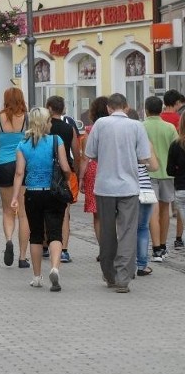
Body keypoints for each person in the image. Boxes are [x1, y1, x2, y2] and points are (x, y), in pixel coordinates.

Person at [85, 93, 152, 293]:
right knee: (128, 231)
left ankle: (109, 274)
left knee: (107, 231)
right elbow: (143, 158)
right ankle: (123, 276)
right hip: (129, 186)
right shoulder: (136, 126)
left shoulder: (100, 125)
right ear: (127, 106)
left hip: (105, 186)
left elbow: (91, 154)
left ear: (108, 108)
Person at [11, 107, 71, 291]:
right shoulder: (56, 140)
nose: (51, 123)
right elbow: (65, 167)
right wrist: (66, 178)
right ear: (45, 123)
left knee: (36, 235)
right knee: (54, 233)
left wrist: (14, 197)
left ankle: (37, 277)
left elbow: (19, 173)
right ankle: (54, 267)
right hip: (53, 193)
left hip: (33, 193)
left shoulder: (23, 144)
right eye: (49, 120)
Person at [0, 87, 30, 268]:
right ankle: (22, 257)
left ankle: (9, 239)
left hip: (4, 165)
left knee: (7, 210)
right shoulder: (28, 119)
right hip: (23, 166)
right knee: (23, 213)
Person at [143, 96, 178, 263]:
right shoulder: (170, 127)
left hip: (148, 173)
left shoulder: (141, 126)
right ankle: (163, 246)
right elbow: (176, 149)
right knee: (165, 210)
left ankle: (156, 247)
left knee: (152, 211)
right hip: (167, 174)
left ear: (146, 109)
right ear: (161, 109)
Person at [46, 96, 80, 263]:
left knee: (46, 209)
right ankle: (64, 250)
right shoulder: (69, 128)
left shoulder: (45, 128)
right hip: (65, 172)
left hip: (47, 171)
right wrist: (77, 172)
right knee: (64, 213)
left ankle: (47, 244)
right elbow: (76, 151)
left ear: (50, 108)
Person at [79, 96, 109, 252]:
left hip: (93, 170)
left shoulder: (90, 130)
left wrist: (81, 178)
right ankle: (112, 246)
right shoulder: (114, 128)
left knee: (97, 214)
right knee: (112, 213)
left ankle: (103, 249)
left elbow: (85, 156)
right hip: (110, 168)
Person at [161, 90, 184, 250]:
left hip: (157, 171)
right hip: (176, 173)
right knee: (180, 211)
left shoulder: (157, 118)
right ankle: (178, 237)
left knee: (161, 209)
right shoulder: (177, 120)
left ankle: (159, 243)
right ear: (176, 103)